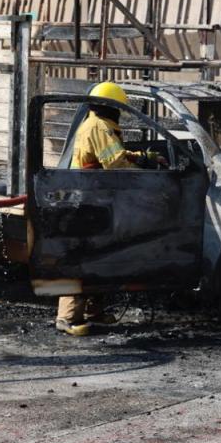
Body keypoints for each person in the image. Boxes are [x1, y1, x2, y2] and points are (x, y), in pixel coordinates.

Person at [56, 81, 161, 336]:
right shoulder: (100, 125)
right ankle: (67, 317)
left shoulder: (94, 123)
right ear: (110, 106)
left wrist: (140, 157)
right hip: (87, 200)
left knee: (100, 258)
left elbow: (112, 154)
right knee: (83, 260)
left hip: (95, 199)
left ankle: (94, 311)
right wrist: (145, 176)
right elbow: (114, 164)